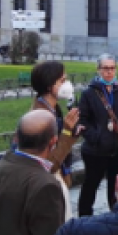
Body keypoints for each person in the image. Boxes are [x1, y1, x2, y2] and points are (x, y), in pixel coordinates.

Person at [77, 54, 118, 217]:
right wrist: (96, 137)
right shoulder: (89, 93)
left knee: (116, 186)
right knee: (91, 185)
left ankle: (115, 217)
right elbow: (82, 120)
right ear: (99, 70)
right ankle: (84, 218)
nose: (109, 72)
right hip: (96, 150)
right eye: (105, 68)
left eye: (112, 68)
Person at [29, 61, 82, 220]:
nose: (67, 84)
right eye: (62, 80)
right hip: (49, 183)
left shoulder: (54, 109)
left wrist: (71, 132)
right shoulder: (40, 116)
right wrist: (66, 132)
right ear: (49, 85)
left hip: (58, 178)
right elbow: (48, 164)